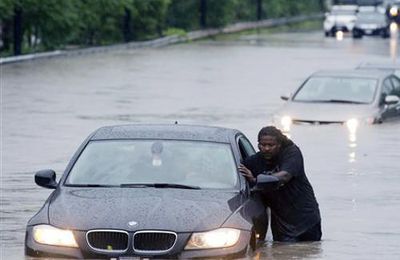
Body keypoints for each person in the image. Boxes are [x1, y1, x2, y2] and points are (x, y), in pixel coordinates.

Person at [239, 126, 321, 242]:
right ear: (258, 145)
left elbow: (284, 176)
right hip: (282, 223)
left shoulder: (291, 153)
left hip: (305, 218)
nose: (266, 148)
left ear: (279, 145)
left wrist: (255, 180)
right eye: (263, 145)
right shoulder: (254, 162)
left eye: (271, 145)